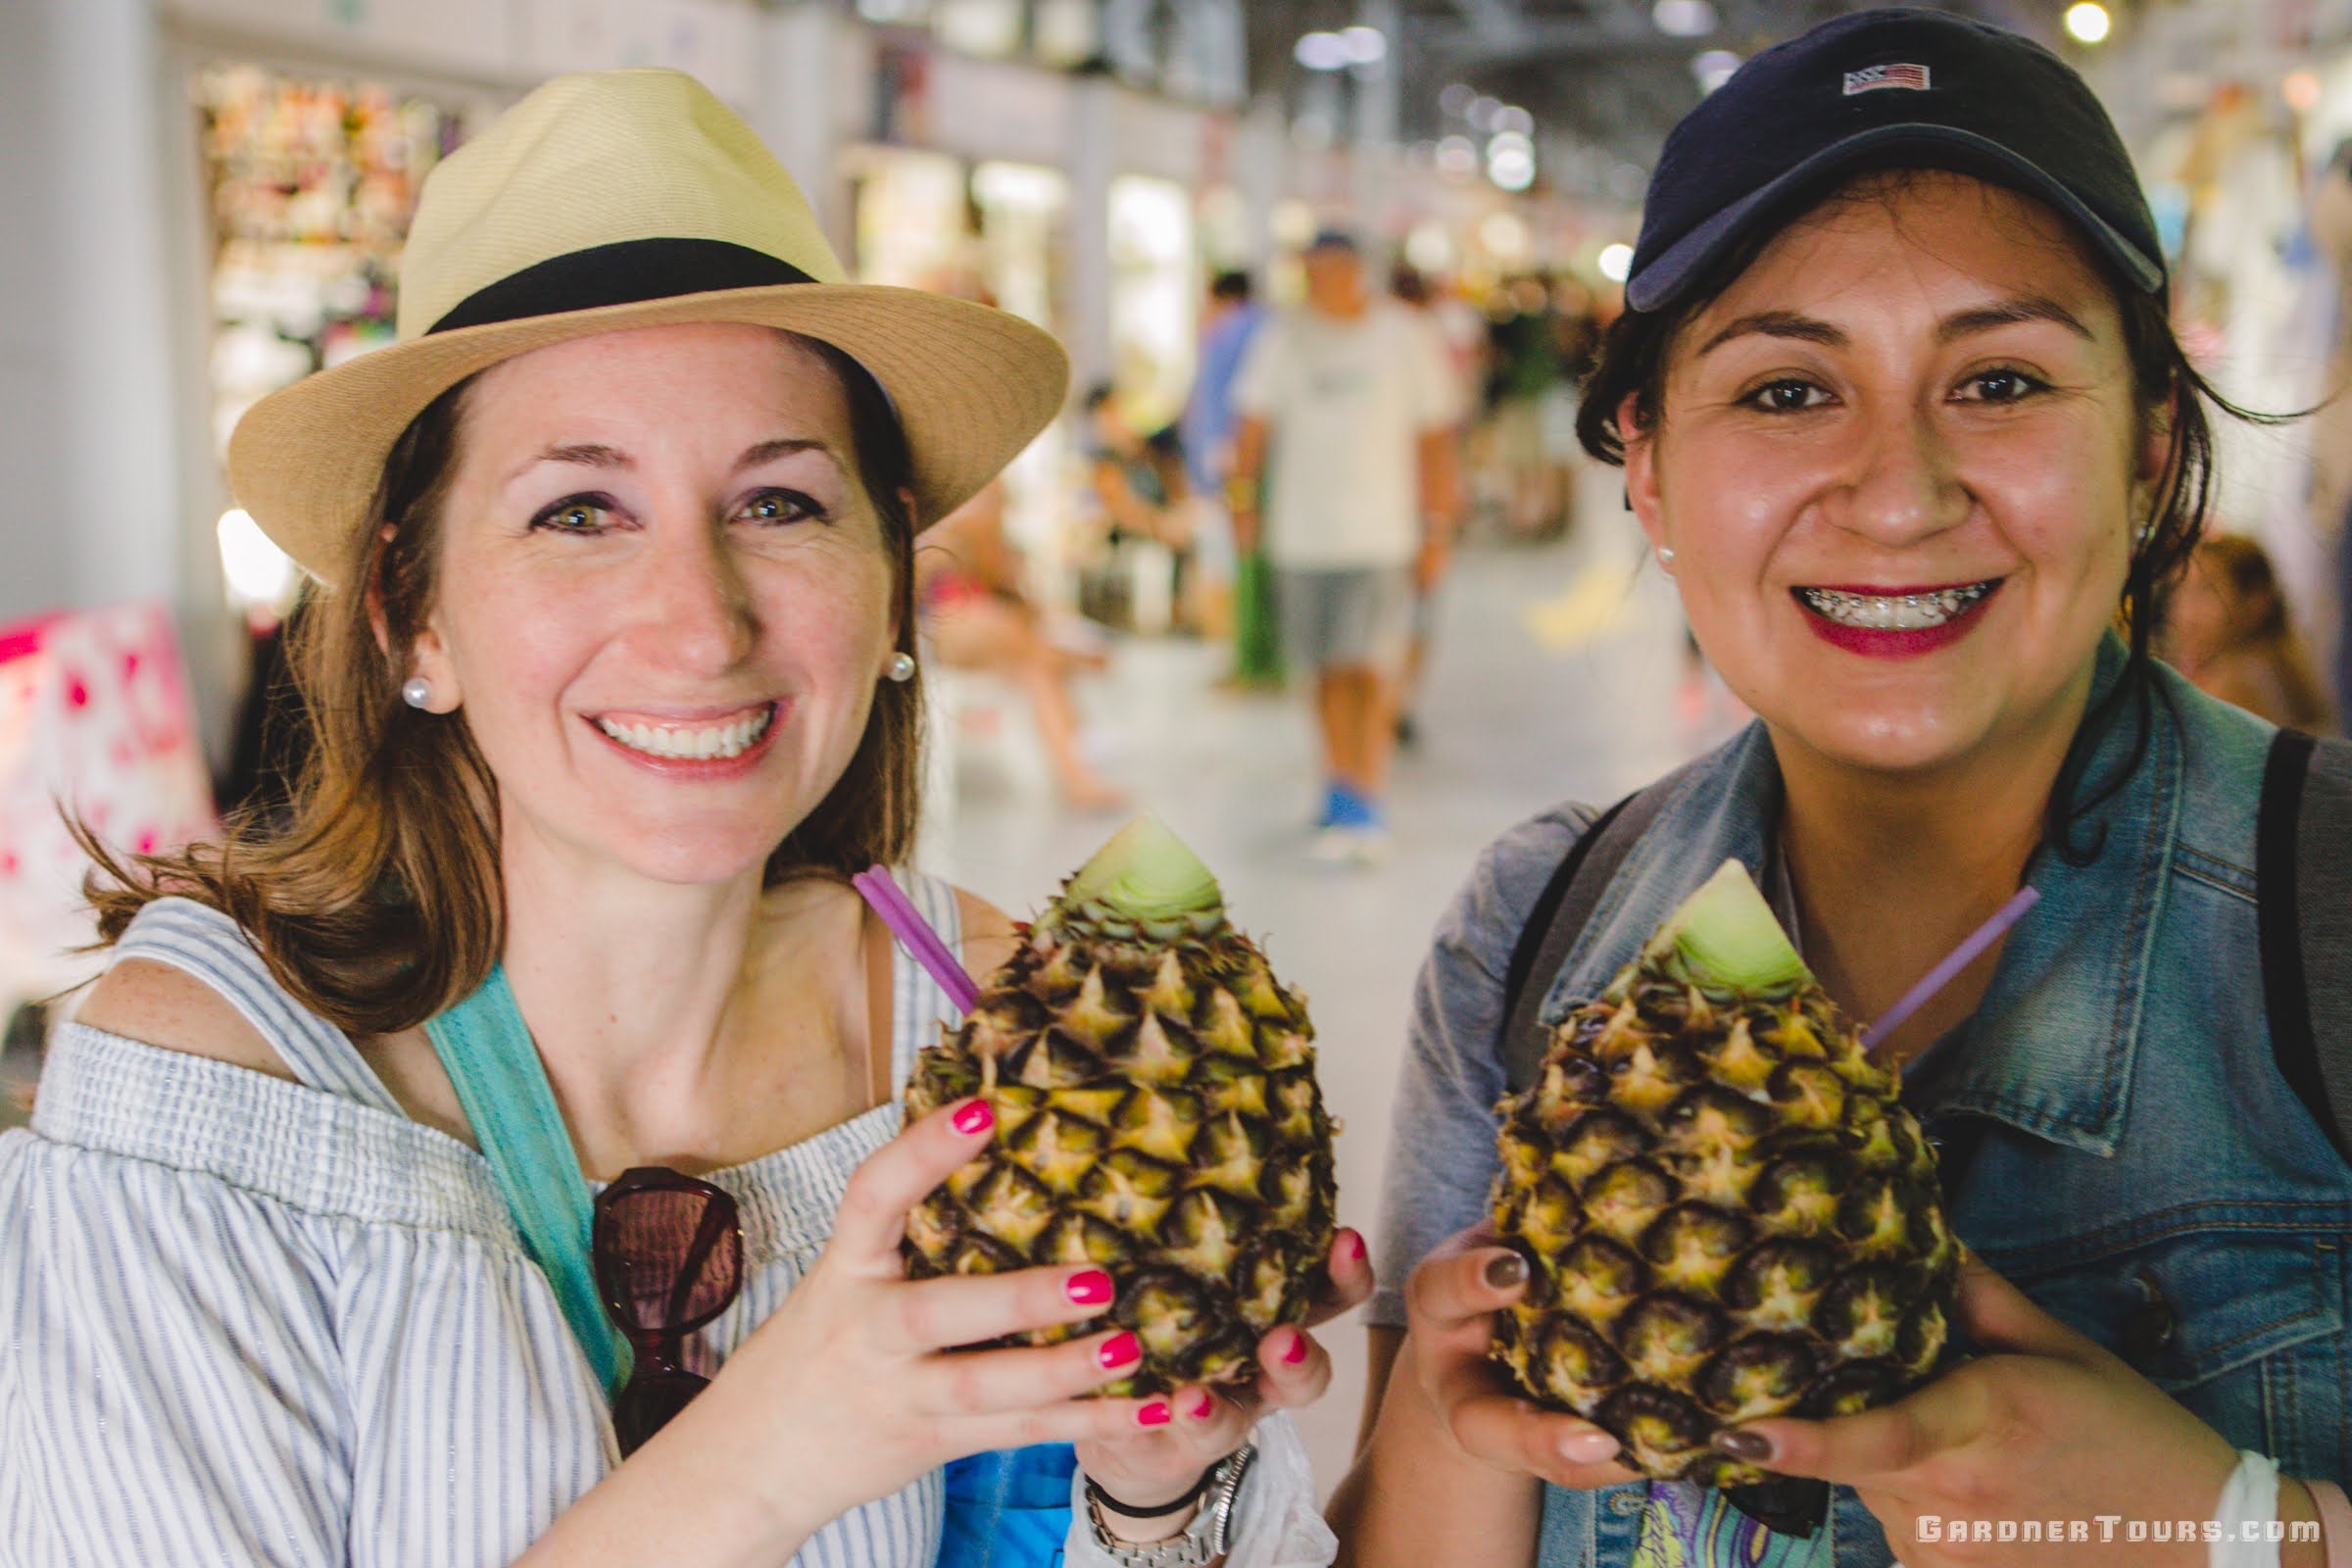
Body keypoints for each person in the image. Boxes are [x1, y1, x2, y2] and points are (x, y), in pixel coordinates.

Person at [0, 70, 1369, 1567]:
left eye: (779, 503)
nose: (701, 625)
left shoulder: (1009, 1021)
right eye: (578, 513)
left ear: (893, 577)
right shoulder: (217, 1098)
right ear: (412, 617)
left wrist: (1150, 1487)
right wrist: (774, 1451)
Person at [1331, 12, 2350, 1567]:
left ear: (2149, 451)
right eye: (1787, 393)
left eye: (2000, 380)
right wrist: (1441, 1407)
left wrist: (2243, 1529)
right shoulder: (1531, 939)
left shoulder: (2330, 914)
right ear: (1651, 468)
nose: (1897, 493)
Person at [1229, 232, 1462, 862]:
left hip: (1382, 534)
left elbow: (1435, 438)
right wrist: (1243, 506)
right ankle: (1338, 786)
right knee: (1324, 668)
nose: (1317, 283)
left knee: (1371, 665)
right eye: (1308, 271)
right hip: (1301, 537)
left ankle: (1369, 789)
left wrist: (1437, 526)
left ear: (1357, 270)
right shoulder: (1282, 340)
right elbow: (1251, 427)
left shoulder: (1403, 337)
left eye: (1329, 270)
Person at [917, 479, 1128, 809]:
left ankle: (1077, 772)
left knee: (1038, 670)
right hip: (951, 634)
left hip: (998, 641)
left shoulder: (1004, 550)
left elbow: (1030, 610)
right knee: (1017, 641)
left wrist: (1003, 565)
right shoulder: (939, 540)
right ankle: (1078, 749)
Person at [2165, 533, 2334, 733]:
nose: (2185, 613)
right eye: (2180, 591)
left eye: (2207, 590)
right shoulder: (2284, 664)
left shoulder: (2235, 682)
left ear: (2257, 600)